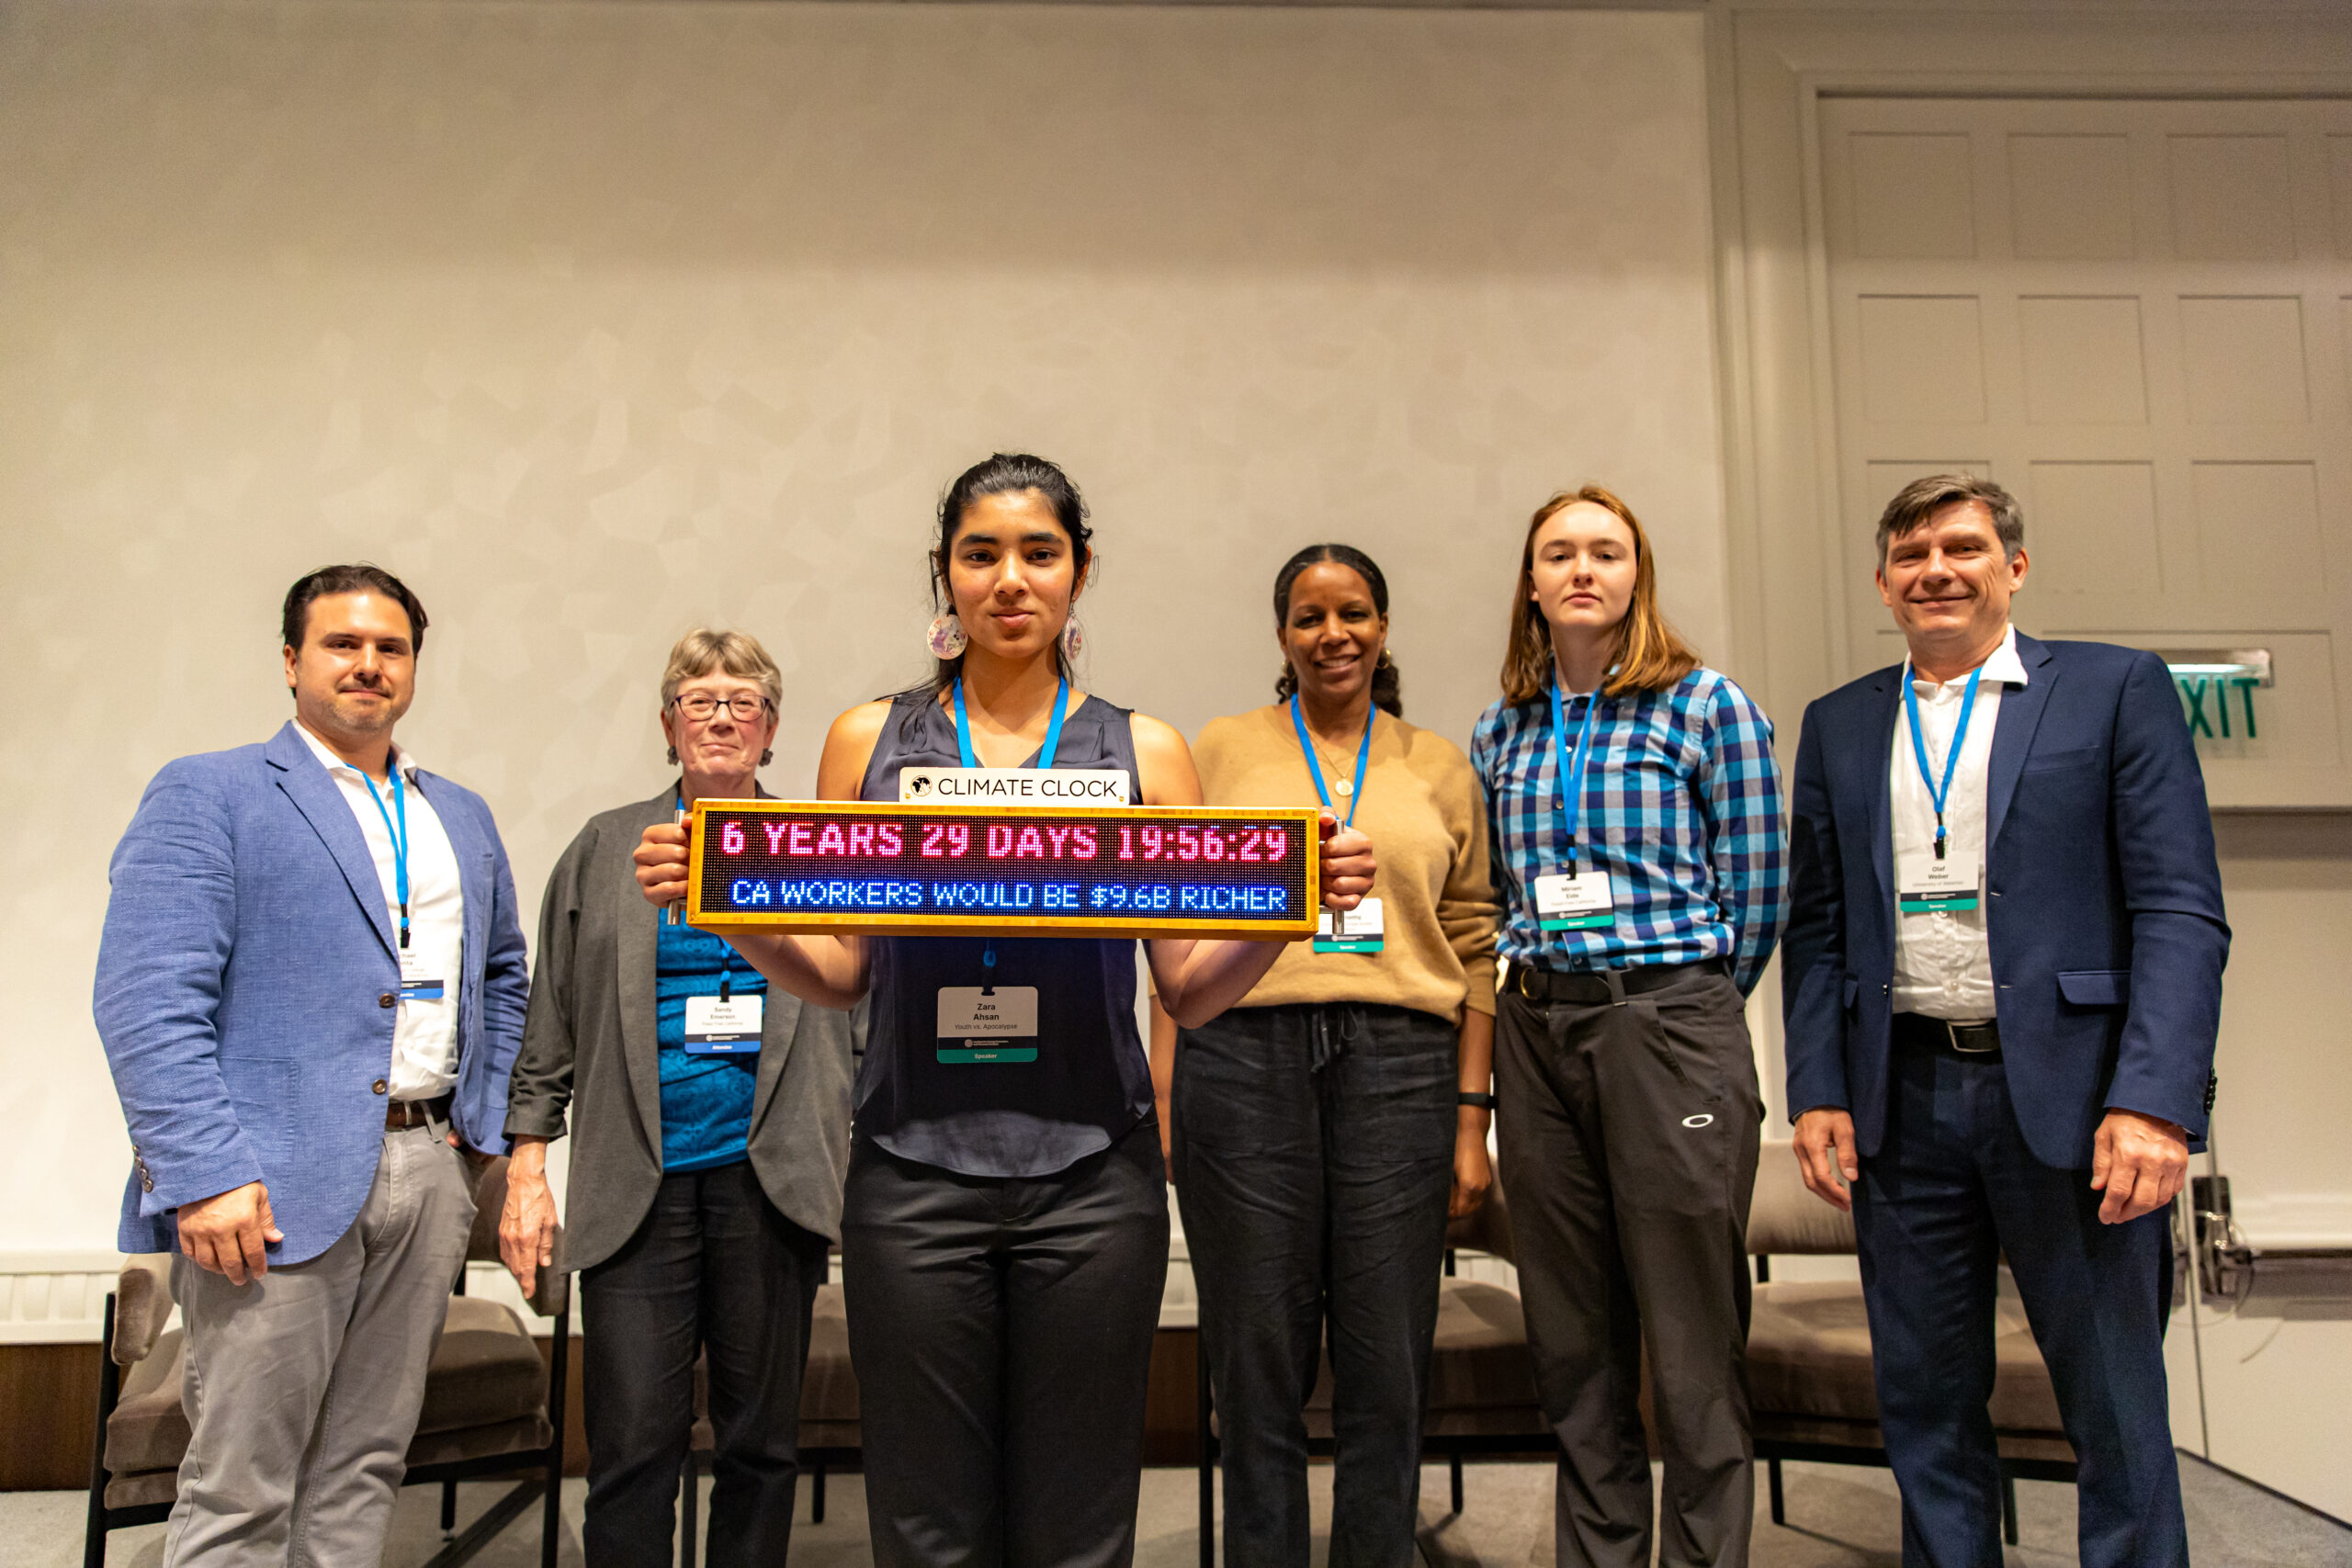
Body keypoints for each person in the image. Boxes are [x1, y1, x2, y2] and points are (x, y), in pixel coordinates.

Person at [631, 453, 1376, 1568]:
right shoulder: (864, 739)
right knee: (928, 1521)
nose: (1011, 579)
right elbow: (840, 973)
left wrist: (1291, 909)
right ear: (945, 576)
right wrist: (720, 899)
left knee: (1079, 1521)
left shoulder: (1146, 751)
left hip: (1093, 1177)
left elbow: (1187, 989)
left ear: (1080, 573)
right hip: (911, 1173)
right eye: (981, 555)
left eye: (1040, 553)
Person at [1781, 474, 2227, 1568]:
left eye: (1963, 547)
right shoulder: (1840, 723)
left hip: (2080, 1107)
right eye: (1911, 552)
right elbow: (1820, 928)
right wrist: (1819, 1087)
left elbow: (2179, 908)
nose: (1937, 568)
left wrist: (2153, 1102)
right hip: (1904, 1104)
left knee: (2113, 1404)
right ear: (1882, 582)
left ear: (2012, 568)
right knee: (1925, 1406)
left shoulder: (2114, 692)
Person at [94, 564, 529, 1567]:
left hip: (428, 1171)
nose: (369, 665)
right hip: (264, 1185)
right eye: (343, 644)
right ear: (291, 661)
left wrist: (481, 1122)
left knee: (366, 1464)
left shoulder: (456, 813)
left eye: (391, 648)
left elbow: (502, 976)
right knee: (242, 1483)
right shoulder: (212, 792)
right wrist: (203, 1176)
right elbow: (146, 1000)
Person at [1148, 543, 1499, 1568]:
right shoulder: (1220, 749)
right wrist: (1167, 1092)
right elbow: (1172, 918)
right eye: (1308, 617)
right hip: (1242, 1060)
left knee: (1386, 1350)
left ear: (1383, 628)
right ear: (1281, 636)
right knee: (1256, 1349)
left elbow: (1474, 944)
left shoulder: (1436, 762)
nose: (1331, 634)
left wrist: (1472, 1120)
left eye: (1352, 614)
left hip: (1402, 1068)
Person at [1469, 486, 1786, 1568]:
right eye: (1557, 552)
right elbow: (1497, 892)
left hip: (1665, 1022)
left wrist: (1675, 1010)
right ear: (1531, 580)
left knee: (1690, 1338)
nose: (1581, 570)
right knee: (1572, 1335)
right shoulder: (1500, 727)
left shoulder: (1706, 707)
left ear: (1636, 572)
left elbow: (1756, 893)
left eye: (1605, 550)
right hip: (1535, 1028)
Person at [499, 629, 858, 1566]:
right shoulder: (605, 847)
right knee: (631, 1448)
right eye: (700, 702)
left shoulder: (817, 846)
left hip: (770, 1180)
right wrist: (528, 1165)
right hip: (636, 1190)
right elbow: (553, 1020)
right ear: (668, 725)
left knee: (760, 1447)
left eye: (744, 702)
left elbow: (861, 1009)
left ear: (772, 729)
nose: (722, 718)